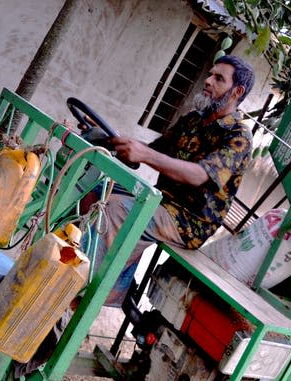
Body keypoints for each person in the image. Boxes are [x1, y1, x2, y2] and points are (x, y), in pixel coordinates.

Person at [95, 54, 256, 307]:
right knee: (96, 190)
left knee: (116, 210)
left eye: (218, 78)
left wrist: (145, 153)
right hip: (159, 201)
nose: (208, 81)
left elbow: (199, 175)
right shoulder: (192, 120)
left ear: (237, 92)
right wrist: (109, 141)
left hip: (189, 221)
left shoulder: (239, 137)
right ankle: (88, 270)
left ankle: (84, 293)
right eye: (210, 74)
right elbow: (147, 154)